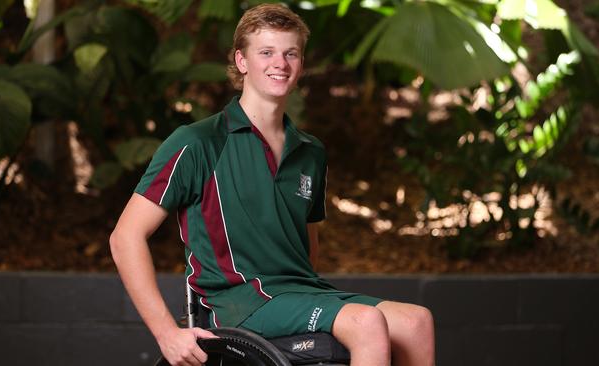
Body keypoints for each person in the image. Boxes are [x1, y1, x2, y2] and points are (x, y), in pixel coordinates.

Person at [109, 3, 435, 366]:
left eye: (290, 53)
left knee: (416, 322)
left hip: (299, 294)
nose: (279, 63)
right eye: (266, 52)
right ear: (242, 61)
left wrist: (309, 303)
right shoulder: (198, 142)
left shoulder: (311, 152)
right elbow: (125, 238)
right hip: (235, 304)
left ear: (301, 65)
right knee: (366, 321)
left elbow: (307, 248)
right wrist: (166, 332)